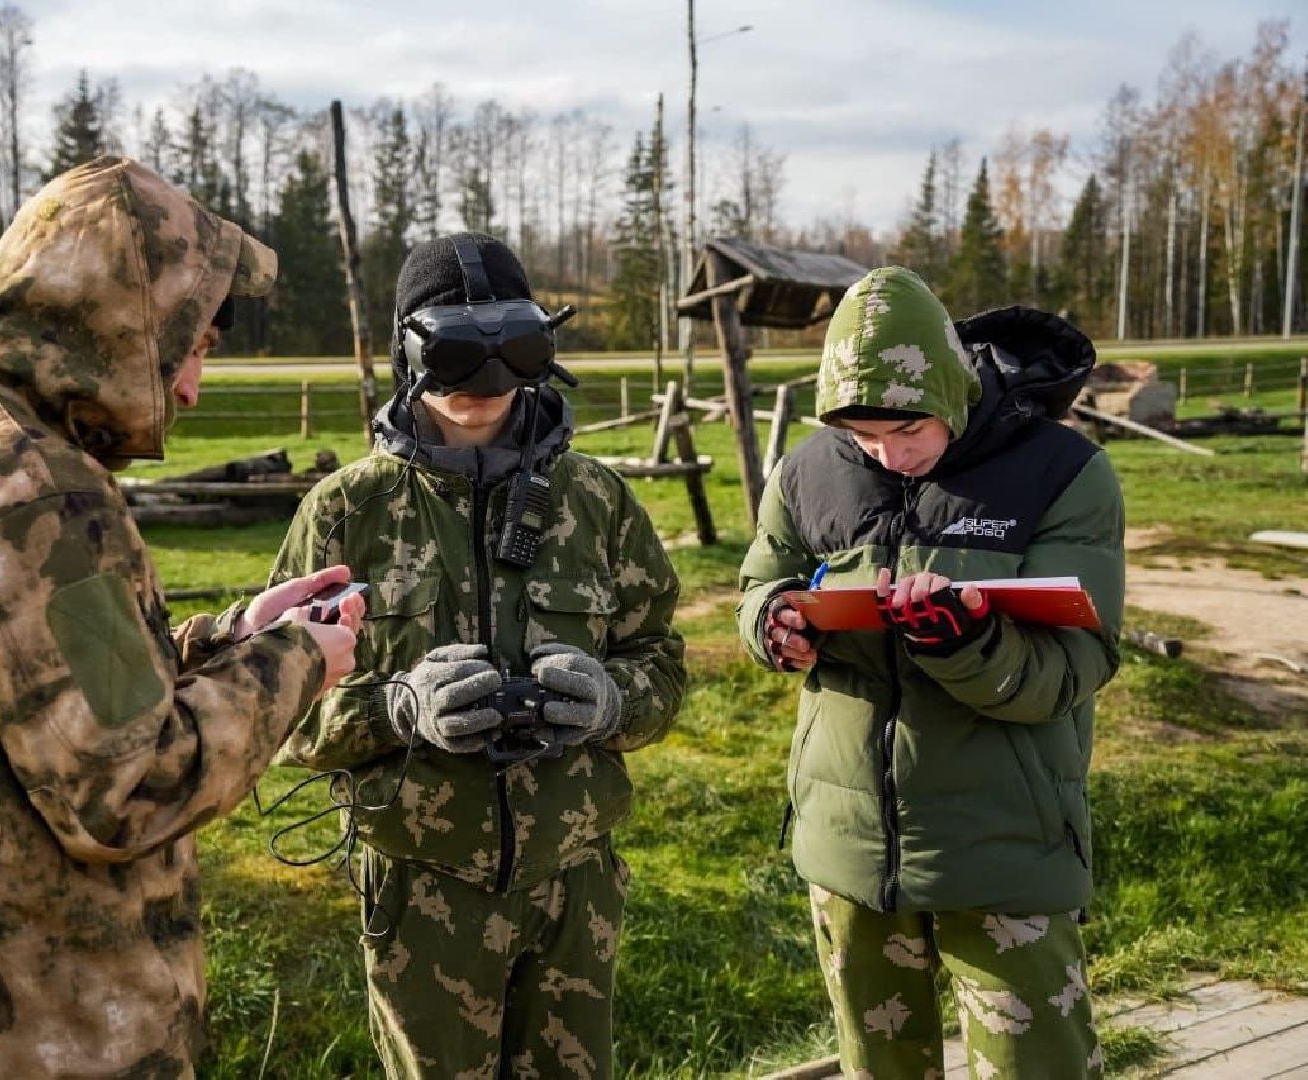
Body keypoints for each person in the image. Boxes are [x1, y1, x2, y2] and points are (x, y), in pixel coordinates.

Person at [0, 156, 363, 1077]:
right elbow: (132, 783)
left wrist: (230, 641)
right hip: (50, 1019)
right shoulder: (28, 484)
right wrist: (299, 663)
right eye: (191, 345)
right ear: (119, 316)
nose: (188, 389)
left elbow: (27, 698)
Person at [269, 232, 686, 1079]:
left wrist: (614, 701)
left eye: (510, 345)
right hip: (422, 888)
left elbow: (663, 661)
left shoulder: (597, 501)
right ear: (409, 351)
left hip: (574, 882)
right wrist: (395, 708)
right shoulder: (347, 511)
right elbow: (279, 705)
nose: (482, 380)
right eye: (455, 349)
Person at [736, 266, 1124, 1077]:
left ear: (950, 390)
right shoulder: (809, 469)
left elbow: (1072, 669)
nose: (887, 453)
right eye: (863, 436)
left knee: (1035, 1066)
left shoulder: (1061, 472)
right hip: (848, 847)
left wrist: (966, 643)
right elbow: (756, 582)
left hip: (1002, 845)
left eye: (906, 431)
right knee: (877, 1066)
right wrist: (771, 625)